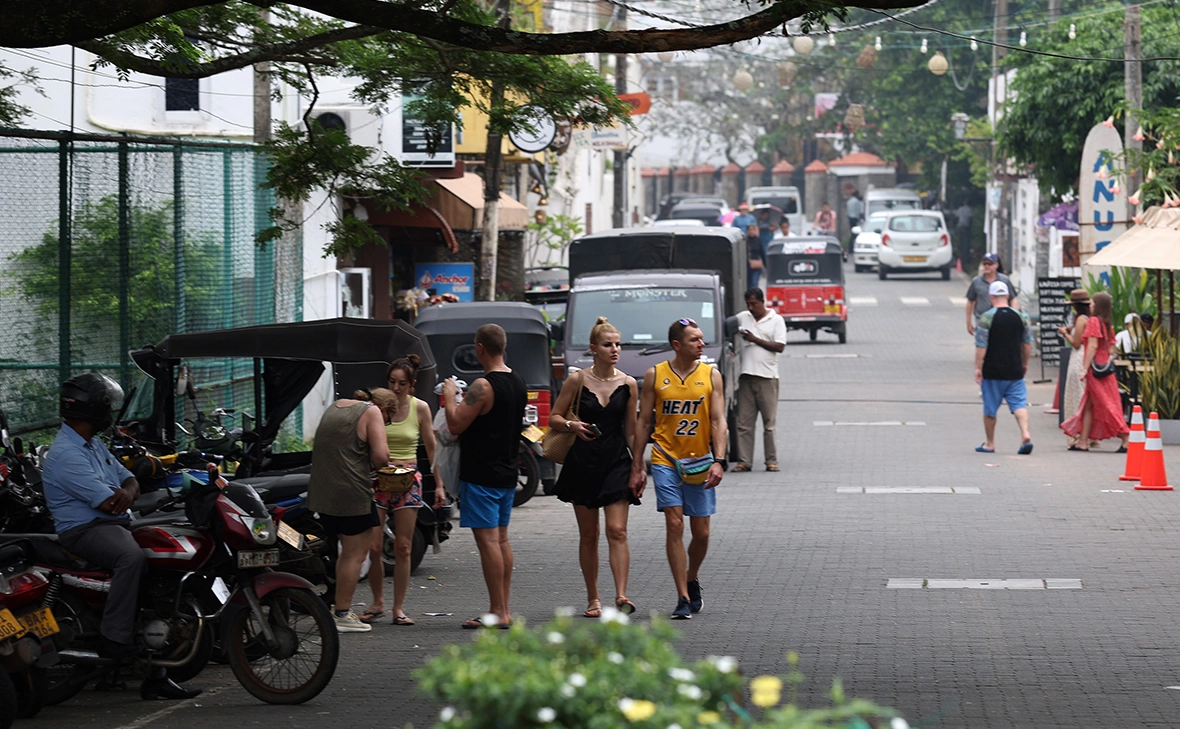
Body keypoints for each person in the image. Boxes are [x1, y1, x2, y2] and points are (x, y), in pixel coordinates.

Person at [41, 373, 200, 700]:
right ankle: (114, 639)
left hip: (114, 523)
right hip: (84, 530)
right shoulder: (66, 455)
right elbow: (110, 503)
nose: (111, 414)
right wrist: (123, 494)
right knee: (131, 558)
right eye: (107, 408)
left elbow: (128, 481)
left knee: (162, 559)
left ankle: (156, 671)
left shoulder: (93, 445)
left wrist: (126, 490)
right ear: (91, 411)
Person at [631, 318, 727, 620]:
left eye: (702, 339)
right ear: (677, 345)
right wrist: (637, 465)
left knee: (701, 533)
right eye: (694, 340)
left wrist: (719, 459)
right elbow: (644, 422)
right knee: (675, 524)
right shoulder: (655, 375)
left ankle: (691, 576)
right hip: (665, 458)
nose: (701, 344)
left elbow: (718, 420)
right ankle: (682, 597)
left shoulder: (711, 375)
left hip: (699, 461)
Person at [550, 317, 641, 618]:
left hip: (616, 461)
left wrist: (638, 465)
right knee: (589, 535)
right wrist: (572, 425)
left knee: (617, 530)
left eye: (617, 344)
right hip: (583, 463)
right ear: (593, 349)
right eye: (608, 344)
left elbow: (630, 430)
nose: (615, 349)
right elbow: (554, 418)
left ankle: (621, 595)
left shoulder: (628, 384)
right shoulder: (577, 380)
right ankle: (594, 598)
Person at [443, 324, 527, 629]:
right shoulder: (517, 381)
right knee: (502, 540)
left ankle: (497, 610)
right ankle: (504, 608)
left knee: (489, 543)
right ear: (503, 346)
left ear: (480, 349)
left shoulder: (483, 386)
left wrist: (451, 396)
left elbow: (454, 425)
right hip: (506, 472)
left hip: (481, 475)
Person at [360, 355, 445, 626]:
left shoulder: (420, 408)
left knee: (404, 547)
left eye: (402, 383)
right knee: (373, 546)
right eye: (392, 382)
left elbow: (432, 448)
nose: (396, 388)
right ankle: (377, 603)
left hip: (408, 481)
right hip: (378, 480)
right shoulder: (376, 407)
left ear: (412, 385)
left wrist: (440, 484)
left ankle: (398, 608)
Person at [307, 387, 394, 633]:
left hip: (324, 493)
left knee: (344, 552)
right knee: (355, 553)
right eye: (388, 421)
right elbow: (381, 456)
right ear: (386, 410)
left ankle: (339, 607)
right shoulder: (373, 411)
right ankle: (342, 614)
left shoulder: (337, 406)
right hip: (352, 494)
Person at [1062, 291, 1131, 452]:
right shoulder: (1106, 323)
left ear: (1098, 306)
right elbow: (1112, 346)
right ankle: (1083, 441)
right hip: (1105, 367)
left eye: (1092, 303)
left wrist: (1085, 369)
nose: (1090, 305)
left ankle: (1126, 436)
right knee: (1088, 404)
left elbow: (1092, 346)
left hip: (1095, 368)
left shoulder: (1093, 321)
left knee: (1105, 403)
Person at [973, 281, 1034, 455]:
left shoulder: (986, 318)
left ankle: (990, 443)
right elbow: (1027, 344)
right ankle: (1025, 433)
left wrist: (978, 367)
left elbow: (981, 346)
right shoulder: (1020, 317)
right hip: (1015, 370)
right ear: (1007, 296)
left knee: (990, 409)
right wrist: (1024, 363)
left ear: (991, 297)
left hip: (993, 371)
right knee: (1019, 405)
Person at [732, 288, 787, 473]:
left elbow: (779, 346)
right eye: (748, 304)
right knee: (744, 423)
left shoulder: (776, 320)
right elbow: (727, 327)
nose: (751, 307)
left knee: (768, 423)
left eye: (754, 304)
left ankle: (771, 461)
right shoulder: (742, 317)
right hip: (746, 376)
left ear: (763, 302)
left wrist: (754, 339)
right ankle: (744, 461)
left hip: (767, 377)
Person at [1056, 290, 1091, 446]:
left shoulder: (1080, 320)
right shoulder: (1089, 319)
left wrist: (1064, 333)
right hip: (1084, 357)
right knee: (1083, 397)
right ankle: (1088, 435)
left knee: (1076, 397)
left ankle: (1078, 435)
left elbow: (1076, 343)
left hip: (1078, 357)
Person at [965, 252, 1019, 335]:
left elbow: (1013, 299)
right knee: (982, 345)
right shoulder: (976, 281)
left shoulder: (1004, 280)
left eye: (990, 264)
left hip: (1001, 319)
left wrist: (1015, 316)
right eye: (985, 263)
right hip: (982, 320)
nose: (986, 266)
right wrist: (968, 322)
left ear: (996, 265)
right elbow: (970, 301)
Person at [732, 202, 761, 290]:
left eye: (745, 209)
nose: (744, 211)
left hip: (750, 240)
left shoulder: (751, 218)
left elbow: (756, 228)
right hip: (740, 240)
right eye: (742, 209)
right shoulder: (737, 219)